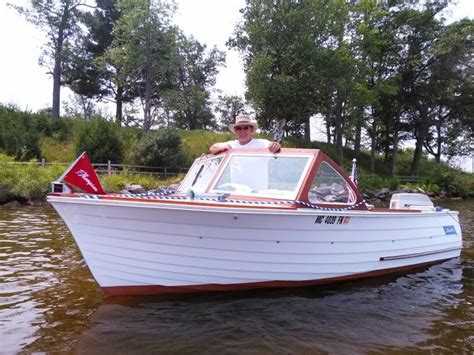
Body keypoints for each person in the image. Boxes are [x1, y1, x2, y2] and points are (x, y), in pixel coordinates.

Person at [209, 115, 281, 154]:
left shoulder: (261, 143)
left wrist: (275, 145)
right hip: (235, 182)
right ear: (235, 131)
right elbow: (212, 148)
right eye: (239, 128)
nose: (242, 131)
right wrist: (223, 148)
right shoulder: (231, 145)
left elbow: (274, 145)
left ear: (251, 130)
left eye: (245, 128)